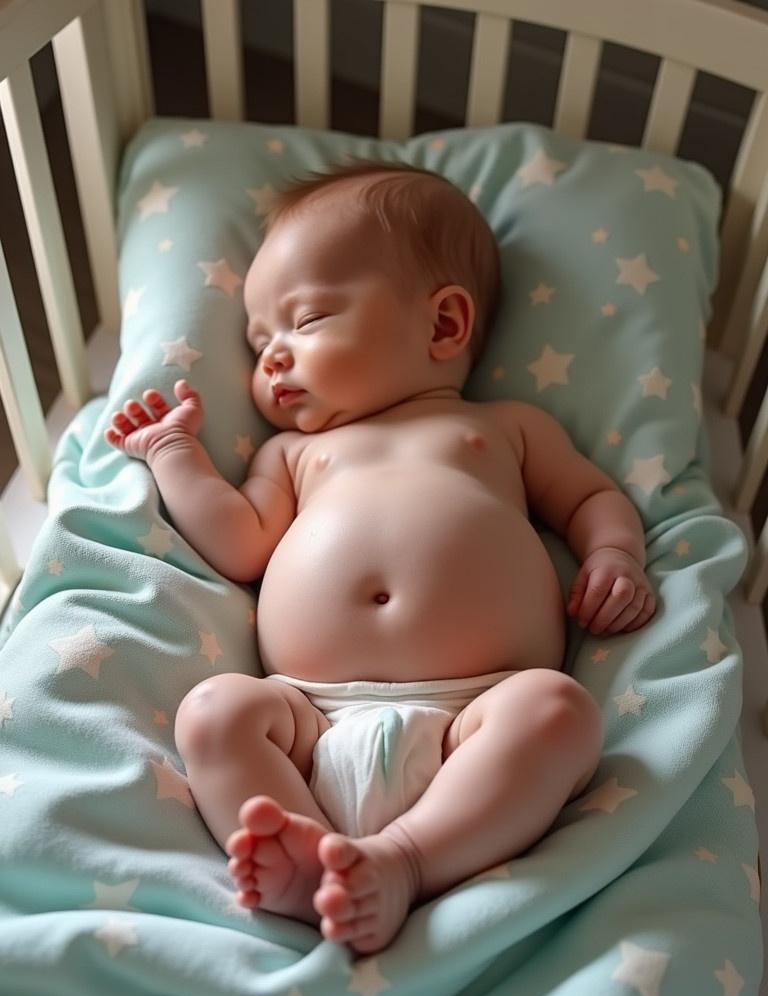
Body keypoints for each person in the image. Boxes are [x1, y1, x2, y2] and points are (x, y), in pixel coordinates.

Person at [104, 161, 655, 954]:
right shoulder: (295, 454)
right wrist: (172, 453)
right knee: (215, 713)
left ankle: (399, 862)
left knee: (560, 713)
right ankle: (305, 858)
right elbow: (238, 539)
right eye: (260, 342)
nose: (272, 359)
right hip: (308, 719)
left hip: (477, 717)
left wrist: (614, 554)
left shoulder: (504, 429)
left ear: (442, 326)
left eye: (307, 320)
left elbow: (591, 498)